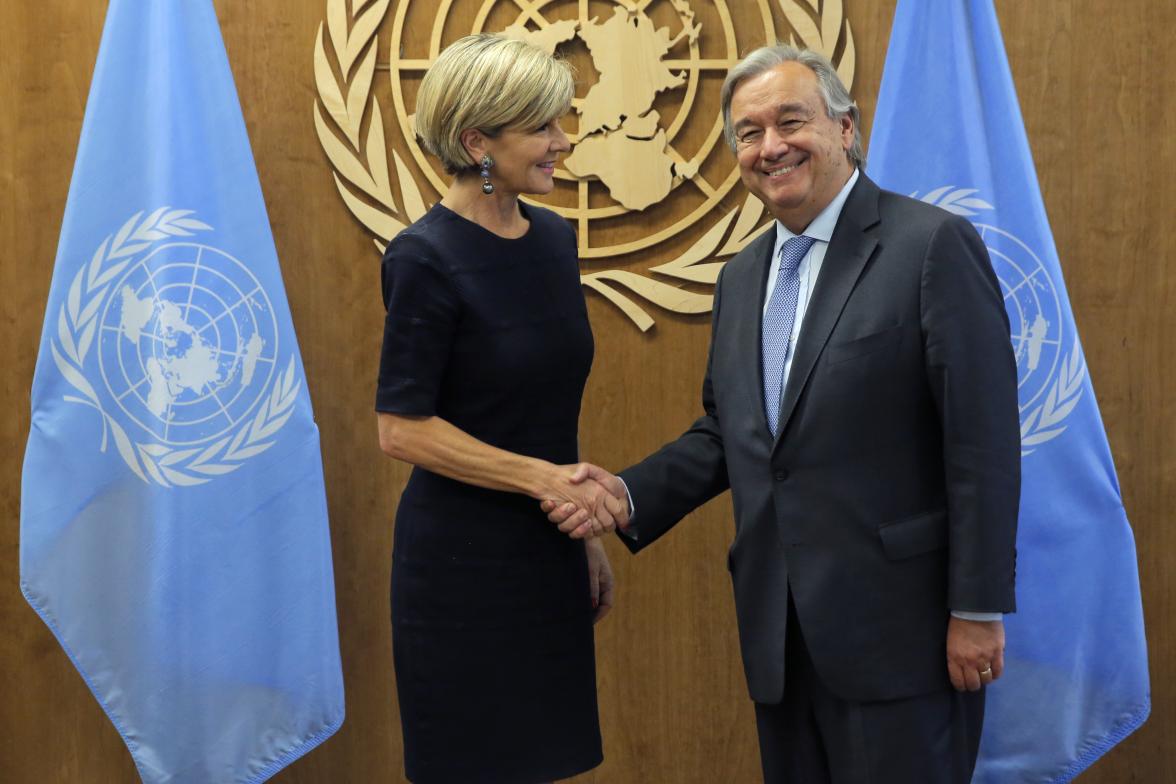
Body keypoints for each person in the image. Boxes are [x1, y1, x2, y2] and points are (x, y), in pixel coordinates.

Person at [546, 44, 1020, 783]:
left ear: (846, 129)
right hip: (780, 638)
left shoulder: (929, 246)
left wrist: (979, 607)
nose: (771, 147)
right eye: (749, 133)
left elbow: (982, 443)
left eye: (790, 122)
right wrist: (623, 495)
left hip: (907, 636)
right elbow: (731, 434)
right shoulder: (742, 276)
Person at [375, 34, 624, 784]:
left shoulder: (554, 239)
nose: (563, 142)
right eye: (543, 127)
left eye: (561, 121)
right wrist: (546, 483)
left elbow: (545, 416)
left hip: (543, 556)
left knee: (545, 762)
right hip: (459, 571)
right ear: (477, 141)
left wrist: (582, 534)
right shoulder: (424, 256)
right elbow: (401, 427)